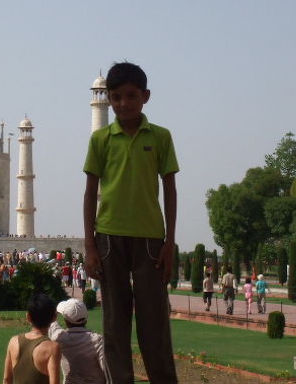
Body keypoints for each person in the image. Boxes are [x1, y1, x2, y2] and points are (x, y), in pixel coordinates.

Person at [83, 62, 179, 384]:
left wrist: (169, 243)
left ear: (145, 97)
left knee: (154, 324)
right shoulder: (101, 140)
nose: (123, 103)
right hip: (109, 237)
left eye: (131, 96)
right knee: (115, 325)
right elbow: (90, 192)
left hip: (150, 239)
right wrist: (90, 244)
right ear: (108, 99)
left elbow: (170, 190)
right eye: (116, 97)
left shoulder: (161, 137)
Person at [3, 293, 62, 384]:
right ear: (54, 317)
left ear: (28, 317)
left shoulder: (13, 341)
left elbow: (6, 379)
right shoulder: (52, 348)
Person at [48, 298, 109, 384]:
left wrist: (55, 314)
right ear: (86, 318)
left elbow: (52, 324)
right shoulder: (98, 341)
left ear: (66, 321)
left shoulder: (59, 338)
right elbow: (107, 370)